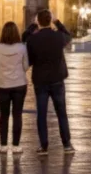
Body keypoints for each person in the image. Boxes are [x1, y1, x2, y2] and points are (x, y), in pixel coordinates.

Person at [25, 9, 75, 155]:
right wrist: (57, 22)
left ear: (38, 21)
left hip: (40, 80)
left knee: (41, 113)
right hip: (57, 79)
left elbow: (24, 37)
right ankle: (66, 144)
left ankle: (44, 146)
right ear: (50, 20)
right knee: (61, 112)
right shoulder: (58, 36)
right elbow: (68, 35)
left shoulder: (33, 39)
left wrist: (33, 26)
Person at [0, 21, 29, 154]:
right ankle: (15, 145)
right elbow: (26, 66)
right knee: (17, 114)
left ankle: (3, 145)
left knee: (4, 115)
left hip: (2, 84)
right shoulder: (22, 47)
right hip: (19, 84)